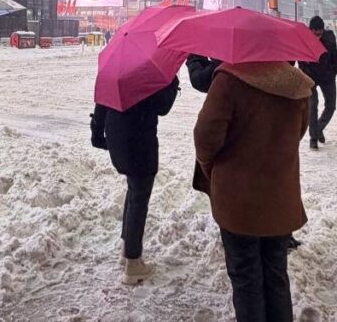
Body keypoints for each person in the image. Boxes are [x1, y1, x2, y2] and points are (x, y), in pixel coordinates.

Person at [193, 61, 313, 322]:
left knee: (246, 277)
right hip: (280, 198)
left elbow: (205, 138)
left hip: (237, 202)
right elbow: (299, 133)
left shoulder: (228, 80)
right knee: (276, 275)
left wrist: (211, 168)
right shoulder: (297, 84)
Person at [90, 77, 180, 285]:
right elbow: (162, 106)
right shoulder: (147, 74)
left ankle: (126, 246)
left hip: (118, 140)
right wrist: (171, 82)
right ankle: (133, 263)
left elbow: (102, 101)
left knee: (133, 192)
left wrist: (97, 132)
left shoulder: (115, 71)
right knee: (139, 199)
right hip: (140, 144)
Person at [298, 16, 337, 150]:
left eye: (320, 31)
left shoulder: (330, 39)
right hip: (311, 79)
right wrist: (306, 73)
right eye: (315, 31)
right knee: (312, 106)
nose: (317, 34)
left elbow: (335, 57)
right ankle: (313, 138)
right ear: (310, 30)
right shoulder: (304, 41)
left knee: (331, 106)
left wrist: (333, 71)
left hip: (327, 77)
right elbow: (301, 60)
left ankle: (319, 128)